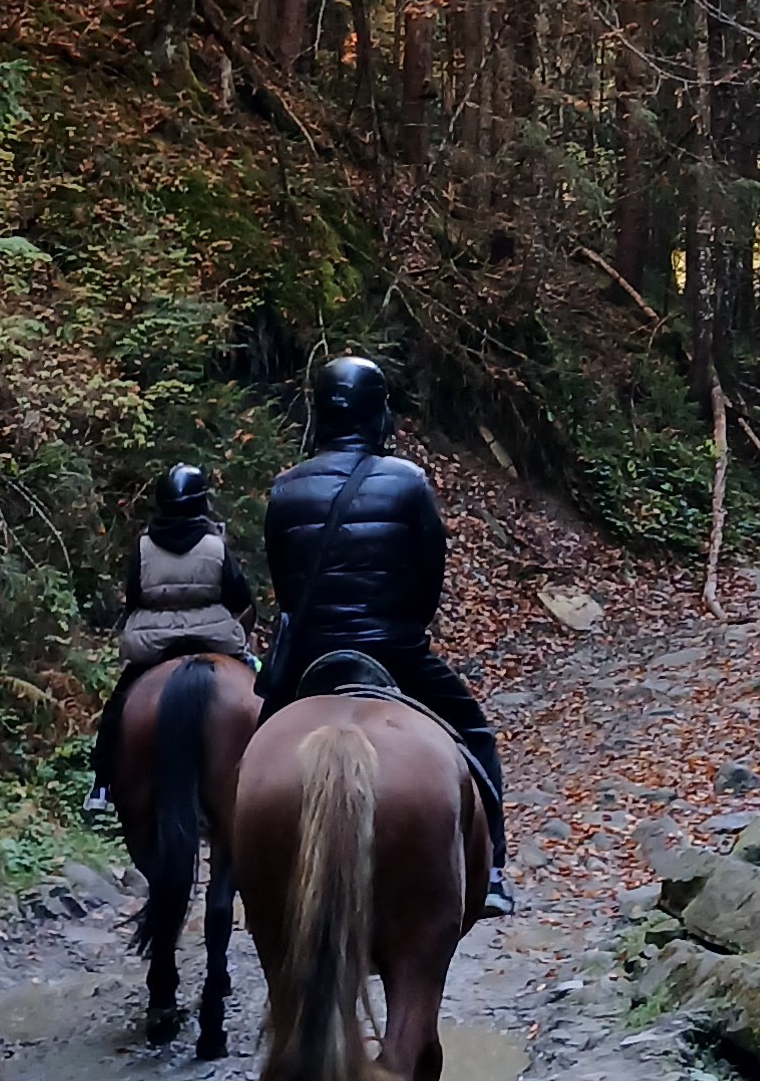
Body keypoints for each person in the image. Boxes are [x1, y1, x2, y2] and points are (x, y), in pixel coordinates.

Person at [261, 356, 512, 915]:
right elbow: (429, 577)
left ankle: (234, 867)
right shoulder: (407, 482)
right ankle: (493, 869)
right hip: (393, 651)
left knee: (250, 758)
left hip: (309, 657)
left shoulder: (284, 490)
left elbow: (283, 586)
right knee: (475, 736)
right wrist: (403, 630)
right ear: (378, 415)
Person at [86, 465, 256, 813]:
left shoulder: (144, 547)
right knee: (260, 691)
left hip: (154, 645)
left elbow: (134, 596)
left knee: (118, 706)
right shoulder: (215, 546)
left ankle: (101, 786)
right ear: (201, 503)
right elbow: (240, 599)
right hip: (215, 639)